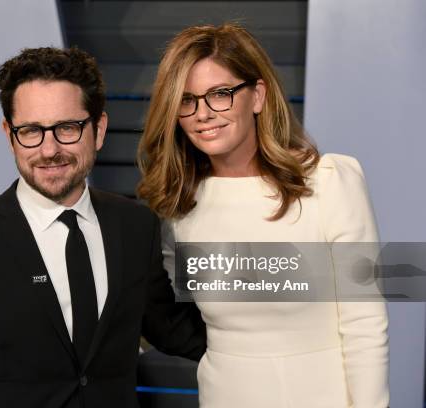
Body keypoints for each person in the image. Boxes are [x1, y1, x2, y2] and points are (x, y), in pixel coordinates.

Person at [0, 46, 205, 408]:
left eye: (66, 128)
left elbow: (174, 329)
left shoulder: (135, 225)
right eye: (30, 131)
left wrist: (268, 297)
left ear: (99, 129)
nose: (49, 150)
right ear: (9, 133)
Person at [137, 23, 389, 408]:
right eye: (186, 101)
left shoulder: (330, 182)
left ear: (257, 96)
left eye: (220, 94)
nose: (203, 114)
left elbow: (365, 327)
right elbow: (168, 314)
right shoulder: (180, 205)